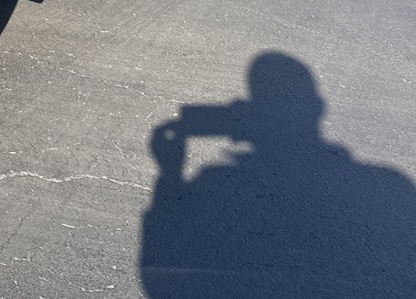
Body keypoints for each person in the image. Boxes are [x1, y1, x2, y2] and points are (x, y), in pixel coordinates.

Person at [141, 52, 416, 298]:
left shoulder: (216, 187)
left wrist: (170, 174)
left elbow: (162, 275)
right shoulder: (386, 188)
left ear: (249, 119)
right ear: (318, 108)